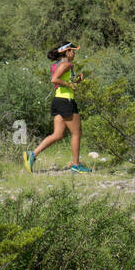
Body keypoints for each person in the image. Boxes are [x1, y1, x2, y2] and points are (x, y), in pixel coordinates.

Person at [24, 42, 91, 173]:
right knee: (76, 133)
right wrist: (68, 84)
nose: (74, 54)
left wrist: (77, 81)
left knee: (58, 134)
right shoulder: (65, 64)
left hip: (58, 100)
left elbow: (64, 83)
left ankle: (31, 155)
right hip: (66, 101)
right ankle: (76, 165)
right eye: (73, 51)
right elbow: (55, 79)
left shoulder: (60, 65)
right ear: (67, 52)